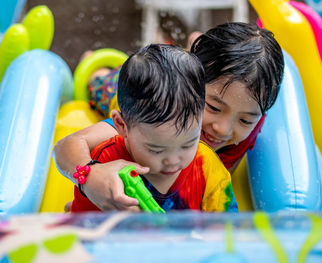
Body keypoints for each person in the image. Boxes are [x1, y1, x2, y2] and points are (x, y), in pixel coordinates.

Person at [54, 22, 284, 211]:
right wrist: (89, 179)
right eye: (213, 107)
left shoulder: (250, 118)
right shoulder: (154, 112)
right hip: (142, 90)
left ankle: (191, 43)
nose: (223, 129)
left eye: (245, 120)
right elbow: (70, 144)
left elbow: (215, 176)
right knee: (103, 85)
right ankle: (96, 66)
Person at [70, 44, 238, 212]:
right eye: (156, 149)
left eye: (187, 144)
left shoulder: (207, 167)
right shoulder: (105, 162)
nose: (173, 161)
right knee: (100, 86)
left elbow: (228, 231)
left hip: (166, 81)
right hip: (110, 93)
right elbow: (84, 229)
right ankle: (94, 68)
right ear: (121, 125)